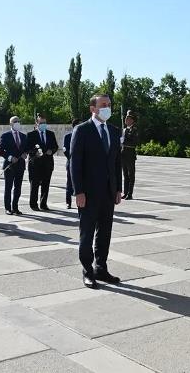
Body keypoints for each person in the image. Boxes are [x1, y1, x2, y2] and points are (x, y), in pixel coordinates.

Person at [70, 94, 123, 289]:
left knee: (105, 233)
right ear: (93, 108)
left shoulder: (114, 130)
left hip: (108, 192)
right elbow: (75, 164)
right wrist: (79, 192)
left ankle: (101, 267)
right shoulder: (82, 130)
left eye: (109, 105)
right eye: (103, 105)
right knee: (87, 233)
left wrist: (118, 188)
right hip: (88, 193)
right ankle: (87, 271)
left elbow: (116, 163)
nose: (107, 108)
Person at [26, 113, 58, 211]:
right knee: (34, 185)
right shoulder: (31, 135)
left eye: (45, 122)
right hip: (35, 164)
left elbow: (55, 146)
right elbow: (28, 148)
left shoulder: (50, 134)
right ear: (37, 123)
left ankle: (43, 204)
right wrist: (35, 153)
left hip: (47, 164)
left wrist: (51, 151)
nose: (43, 124)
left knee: (46, 185)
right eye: (41, 122)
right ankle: (33, 204)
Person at [0, 116, 28, 215]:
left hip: (20, 165)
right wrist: (10, 157)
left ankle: (15, 207)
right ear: (10, 124)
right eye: (15, 122)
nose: (17, 123)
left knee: (18, 187)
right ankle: (8, 208)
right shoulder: (5, 136)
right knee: (8, 187)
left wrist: (25, 154)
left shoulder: (23, 136)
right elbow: (1, 151)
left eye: (19, 121)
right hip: (9, 166)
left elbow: (25, 149)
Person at [63, 118, 81, 208]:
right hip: (71, 162)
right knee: (69, 183)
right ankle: (68, 202)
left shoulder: (83, 136)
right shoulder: (68, 136)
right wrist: (73, 158)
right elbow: (65, 150)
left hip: (82, 164)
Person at [121, 110, 139, 200]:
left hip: (130, 154)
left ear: (132, 120)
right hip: (123, 154)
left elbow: (134, 142)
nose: (126, 120)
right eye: (126, 118)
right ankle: (125, 192)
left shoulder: (134, 130)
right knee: (125, 174)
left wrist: (124, 140)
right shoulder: (124, 130)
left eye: (128, 118)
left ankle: (130, 193)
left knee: (131, 174)